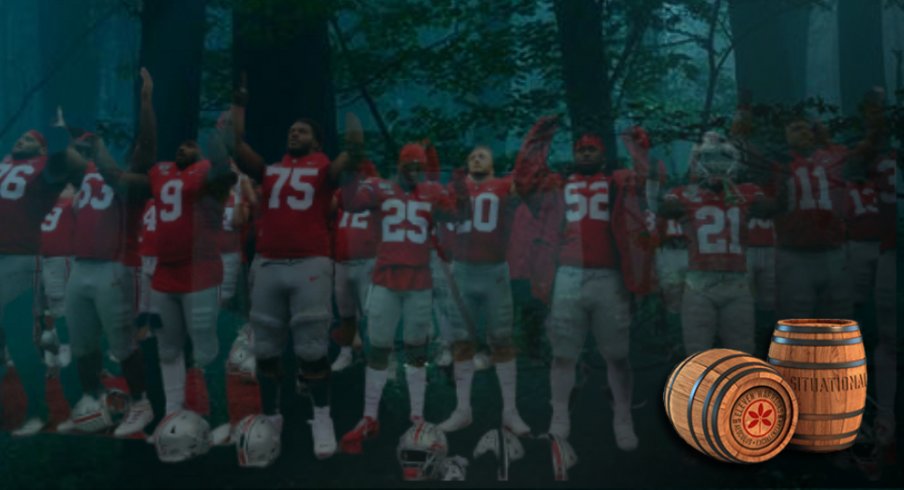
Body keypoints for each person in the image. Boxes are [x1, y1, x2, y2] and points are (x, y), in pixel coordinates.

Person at [94, 68, 235, 429]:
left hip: (199, 268)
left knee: (203, 343)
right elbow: (121, 179)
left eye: (191, 144)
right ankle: (172, 412)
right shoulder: (161, 173)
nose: (183, 146)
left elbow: (224, 173)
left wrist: (221, 136)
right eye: (180, 145)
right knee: (167, 345)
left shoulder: (207, 172)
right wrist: (99, 150)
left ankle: (216, 406)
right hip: (163, 273)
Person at [229, 80, 359, 460]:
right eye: (291, 130)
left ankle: (322, 418)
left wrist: (353, 143)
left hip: (310, 262)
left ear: (317, 142)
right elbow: (238, 147)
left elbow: (346, 162)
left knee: (311, 347)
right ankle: (272, 416)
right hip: (268, 261)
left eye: (302, 130)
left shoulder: (323, 169)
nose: (293, 133)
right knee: (266, 348)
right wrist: (239, 105)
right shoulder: (270, 170)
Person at [516, 117, 645, 452]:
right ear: (574, 154)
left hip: (608, 276)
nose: (586, 153)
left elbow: (645, 183)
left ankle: (623, 418)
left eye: (592, 149)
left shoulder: (617, 181)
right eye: (581, 149)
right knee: (563, 354)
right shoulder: (559, 183)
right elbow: (525, 182)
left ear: (602, 155)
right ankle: (559, 417)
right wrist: (537, 140)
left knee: (617, 354)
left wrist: (637, 148)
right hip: (568, 276)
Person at [338, 142, 470, 455]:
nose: (413, 171)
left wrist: (461, 188)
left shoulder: (432, 191)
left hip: (419, 280)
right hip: (385, 278)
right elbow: (350, 203)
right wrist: (351, 169)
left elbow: (456, 217)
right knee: (379, 347)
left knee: (416, 349)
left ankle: (417, 415)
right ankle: (369, 416)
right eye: (409, 165)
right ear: (399, 165)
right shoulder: (380, 187)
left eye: (418, 166)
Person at [55, 121, 154, 437]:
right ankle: (91, 400)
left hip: (114, 265)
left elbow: (119, 170)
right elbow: (66, 156)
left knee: (123, 343)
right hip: (81, 265)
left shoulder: (134, 180)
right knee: (82, 344)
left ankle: (141, 403)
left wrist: (147, 101)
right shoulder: (86, 177)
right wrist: (68, 134)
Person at [0, 115, 91, 435]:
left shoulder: (45, 167)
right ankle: (42, 404)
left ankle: (48, 405)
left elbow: (74, 163)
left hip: (19, 257)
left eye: (29, 138)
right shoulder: (4, 163)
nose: (20, 140)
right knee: (16, 337)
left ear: (41, 147)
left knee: (19, 335)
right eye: (19, 136)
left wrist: (63, 140)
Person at [649, 131, 777, 356]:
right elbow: (665, 210)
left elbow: (771, 208)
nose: (716, 164)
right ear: (697, 162)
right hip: (700, 280)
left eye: (722, 158)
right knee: (698, 352)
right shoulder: (684, 194)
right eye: (709, 158)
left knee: (741, 352)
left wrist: (748, 175)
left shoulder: (747, 191)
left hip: (736, 280)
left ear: (734, 160)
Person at [437, 145, 530, 436]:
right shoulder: (455, 188)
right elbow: (438, 215)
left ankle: (510, 412)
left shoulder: (505, 185)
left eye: (482, 155)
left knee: (502, 340)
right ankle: (462, 410)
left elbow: (526, 189)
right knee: (462, 342)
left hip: (494, 271)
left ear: (492, 163)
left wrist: (528, 153)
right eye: (472, 155)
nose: (476, 158)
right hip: (462, 270)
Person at [330, 159, 379, 372]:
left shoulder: (374, 196)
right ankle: (347, 352)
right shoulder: (340, 196)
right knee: (345, 312)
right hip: (342, 261)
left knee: (371, 312)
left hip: (367, 260)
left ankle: (376, 354)